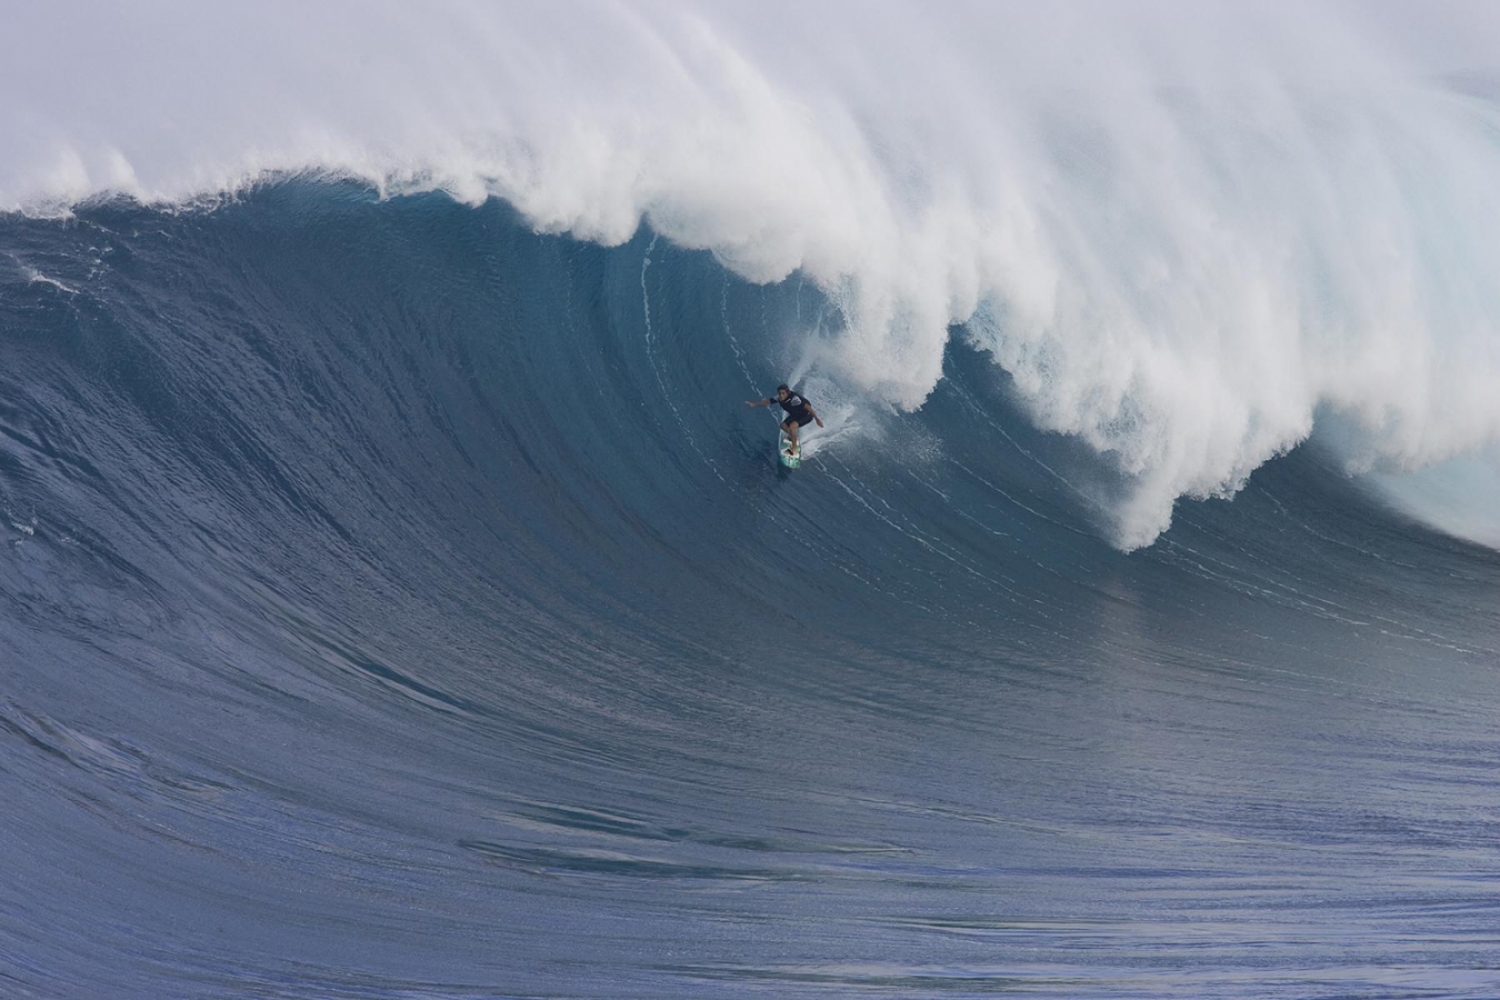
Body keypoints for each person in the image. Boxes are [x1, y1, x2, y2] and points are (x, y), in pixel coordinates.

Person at [746, 384, 823, 457]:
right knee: (783, 425)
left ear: (788, 393)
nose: (781, 395)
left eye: (783, 393)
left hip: (807, 415)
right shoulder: (779, 398)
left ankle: (794, 451)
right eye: (779, 393)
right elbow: (768, 401)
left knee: (792, 426)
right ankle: (794, 438)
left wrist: (817, 419)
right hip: (797, 414)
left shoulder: (794, 399)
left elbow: (808, 407)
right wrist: (754, 404)